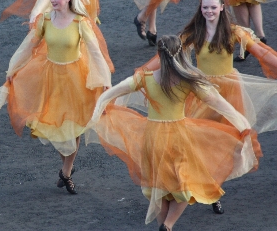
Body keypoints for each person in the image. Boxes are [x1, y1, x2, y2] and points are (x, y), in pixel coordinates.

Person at [86, 35, 262, 230]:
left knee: (158, 186)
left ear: (159, 55)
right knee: (186, 183)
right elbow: (219, 103)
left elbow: (112, 92)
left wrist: (98, 111)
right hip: (179, 136)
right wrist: (242, 124)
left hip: (152, 137)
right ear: (182, 55)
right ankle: (169, 224)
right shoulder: (189, 80)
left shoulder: (145, 79)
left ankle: (163, 224)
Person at [138, 0, 277, 214]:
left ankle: (212, 187)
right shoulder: (195, 32)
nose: (209, 11)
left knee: (227, 143)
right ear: (200, 8)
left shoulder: (234, 32)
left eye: (213, 7)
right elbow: (166, 56)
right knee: (196, 141)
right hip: (202, 92)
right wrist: (141, 73)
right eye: (205, 7)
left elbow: (261, 52)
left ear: (222, 7)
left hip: (230, 92)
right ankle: (195, 186)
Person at [0, 0, 112, 194]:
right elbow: (28, 46)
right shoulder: (46, 20)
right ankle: (67, 166)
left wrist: (105, 81)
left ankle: (66, 171)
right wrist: (13, 69)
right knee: (56, 128)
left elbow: (95, 52)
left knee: (75, 124)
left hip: (76, 79)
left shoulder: (80, 22)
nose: (53, 0)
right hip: (51, 79)